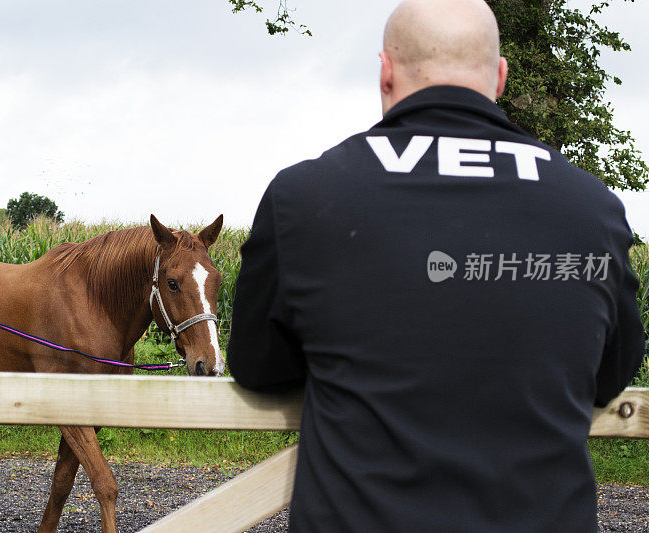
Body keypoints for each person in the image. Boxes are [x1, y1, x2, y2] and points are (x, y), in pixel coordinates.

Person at [226, 0, 645, 531]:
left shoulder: (305, 196)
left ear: (385, 73)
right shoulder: (591, 206)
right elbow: (611, 374)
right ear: (499, 77)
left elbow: (258, 368)